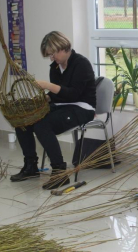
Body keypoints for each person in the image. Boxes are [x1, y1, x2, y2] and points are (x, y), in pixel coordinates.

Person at [10, 31, 96, 190]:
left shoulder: (81, 64)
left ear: (62, 48)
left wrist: (48, 86)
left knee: (42, 124)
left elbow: (73, 94)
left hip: (83, 107)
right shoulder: (55, 67)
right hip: (63, 105)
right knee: (24, 119)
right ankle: (31, 167)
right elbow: (59, 95)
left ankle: (59, 172)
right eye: (49, 56)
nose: (51, 58)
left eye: (52, 54)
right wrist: (46, 98)